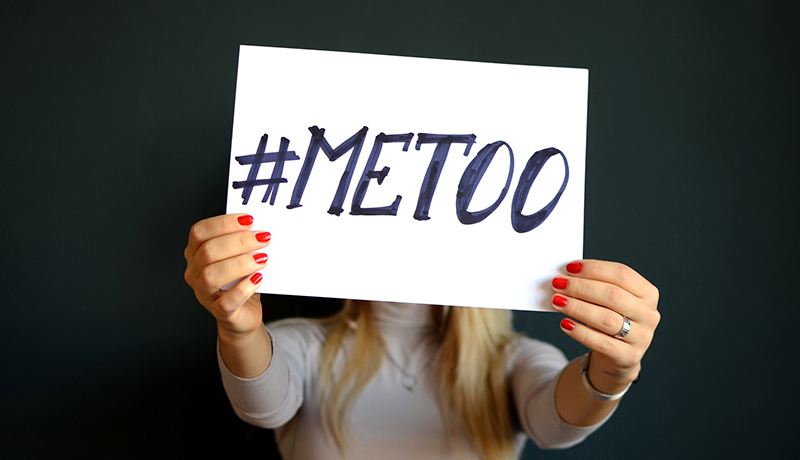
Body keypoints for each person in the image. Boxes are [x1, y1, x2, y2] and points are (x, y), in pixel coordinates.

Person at [184, 214, 660, 460]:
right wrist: (238, 328)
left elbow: (557, 426)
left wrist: (613, 371)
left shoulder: (514, 360)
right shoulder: (305, 345)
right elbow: (262, 405)